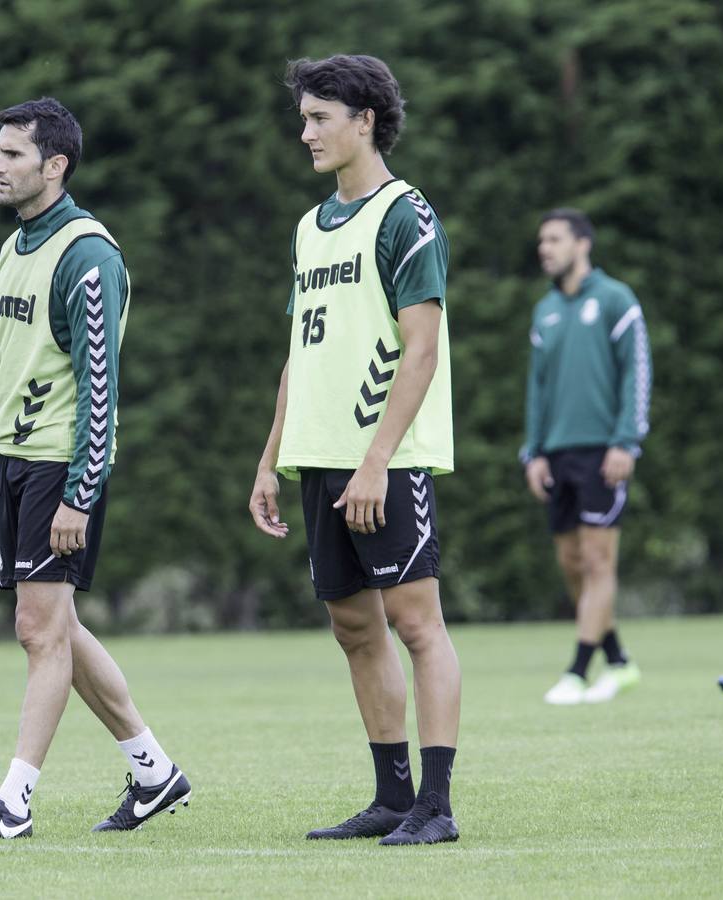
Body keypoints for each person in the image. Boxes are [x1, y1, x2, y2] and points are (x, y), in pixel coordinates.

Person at [0, 98, 190, 840]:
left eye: (12, 154)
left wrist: (81, 494)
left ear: (55, 165)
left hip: (61, 466)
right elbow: (8, 373)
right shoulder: (14, 247)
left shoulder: (89, 254)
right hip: (18, 463)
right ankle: (154, 773)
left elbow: (101, 387)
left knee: (38, 628)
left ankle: (14, 803)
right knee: (55, 626)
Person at [249, 55, 460, 845]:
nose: (304, 133)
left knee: (415, 623)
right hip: (320, 456)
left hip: (387, 460)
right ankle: (392, 797)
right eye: (303, 118)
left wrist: (377, 459)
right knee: (353, 627)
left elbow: (421, 350)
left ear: (364, 119)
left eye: (318, 118)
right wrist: (272, 457)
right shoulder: (310, 227)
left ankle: (436, 807)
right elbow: (301, 353)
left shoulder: (407, 215)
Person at [521, 209, 650, 706]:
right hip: (556, 454)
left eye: (553, 239)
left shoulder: (617, 300)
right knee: (572, 563)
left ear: (582, 245)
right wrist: (532, 452)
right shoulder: (545, 311)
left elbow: (636, 374)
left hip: (604, 452)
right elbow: (537, 388)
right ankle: (619, 662)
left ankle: (576, 672)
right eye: (541, 241)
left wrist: (625, 441)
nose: (544, 249)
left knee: (598, 561)